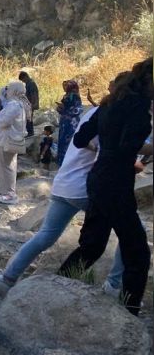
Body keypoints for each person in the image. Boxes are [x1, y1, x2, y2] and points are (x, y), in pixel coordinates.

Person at [0, 104, 127, 299]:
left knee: (45, 236)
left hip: (63, 183)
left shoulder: (92, 112)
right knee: (130, 231)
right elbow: (106, 156)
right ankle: (113, 285)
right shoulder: (114, 116)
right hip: (85, 188)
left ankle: (7, 278)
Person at [58, 59, 152, 315]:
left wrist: (107, 148)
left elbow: (80, 138)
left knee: (92, 245)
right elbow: (127, 146)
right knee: (138, 252)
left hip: (98, 178)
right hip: (116, 182)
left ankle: (57, 286)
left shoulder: (109, 104)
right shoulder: (139, 106)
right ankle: (129, 312)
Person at [0, 81, 30, 205]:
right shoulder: (20, 104)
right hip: (9, 139)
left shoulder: (14, 104)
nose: (6, 91)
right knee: (9, 166)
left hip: (6, 140)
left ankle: (8, 193)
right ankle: (7, 192)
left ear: (13, 91)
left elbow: (5, 122)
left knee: (5, 167)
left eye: (9, 89)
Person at [56, 80, 83, 166]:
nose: (64, 87)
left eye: (66, 86)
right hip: (64, 121)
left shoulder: (75, 96)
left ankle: (68, 162)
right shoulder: (66, 96)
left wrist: (66, 110)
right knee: (62, 140)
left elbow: (79, 109)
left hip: (72, 122)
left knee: (69, 140)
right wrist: (60, 109)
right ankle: (61, 161)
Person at [19, 71, 40, 136]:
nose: (23, 81)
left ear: (25, 76)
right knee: (28, 119)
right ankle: (29, 132)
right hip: (29, 104)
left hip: (31, 104)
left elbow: (33, 95)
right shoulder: (28, 83)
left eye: (23, 80)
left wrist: (32, 105)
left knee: (29, 119)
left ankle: (30, 133)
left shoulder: (31, 84)